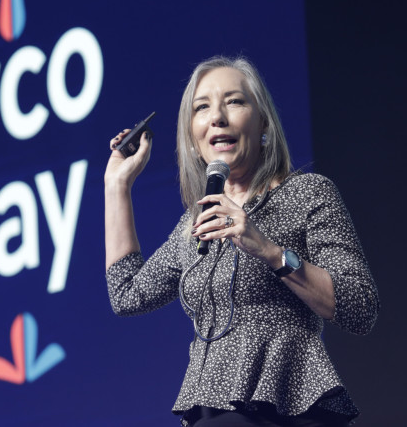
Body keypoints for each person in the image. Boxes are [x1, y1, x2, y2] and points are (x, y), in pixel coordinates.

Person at [104, 56, 378, 426]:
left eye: (234, 101)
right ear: (194, 139)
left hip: (288, 407)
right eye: (202, 107)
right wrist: (117, 186)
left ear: (263, 123)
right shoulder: (195, 224)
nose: (217, 116)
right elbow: (126, 294)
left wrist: (268, 249)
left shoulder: (309, 194)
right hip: (210, 411)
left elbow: (359, 306)